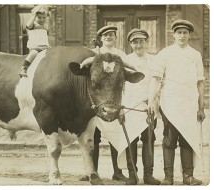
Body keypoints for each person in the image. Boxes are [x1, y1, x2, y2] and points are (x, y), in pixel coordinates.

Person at [148, 19, 205, 185]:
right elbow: (156, 79)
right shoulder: (165, 53)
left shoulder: (195, 55)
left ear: (189, 35)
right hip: (170, 103)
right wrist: (152, 101)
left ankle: (188, 176)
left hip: (189, 104)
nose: (182, 36)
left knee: (187, 139)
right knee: (169, 140)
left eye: (185, 33)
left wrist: (201, 108)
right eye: (179, 32)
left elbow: (200, 82)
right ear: (173, 35)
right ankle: (168, 177)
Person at [79, 25, 128, 182]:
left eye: (111, 35)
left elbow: (123, 83)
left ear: (115, 38)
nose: (108, 37)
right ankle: (92, 171)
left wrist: (121, 106)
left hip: (114, 102)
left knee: (115, 137)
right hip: (97, 103)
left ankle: (117, 171)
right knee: (94, 137)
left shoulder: (121, 55)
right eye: (105, 35)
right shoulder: (95, 55)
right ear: (100, 39)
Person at [121, 28, 161, 185]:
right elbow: (120, 85)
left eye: (141, 41)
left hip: (148, 105)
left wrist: (151, 102)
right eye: (135, 42)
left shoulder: (154, 60)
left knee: (149, 139)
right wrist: (121, 107)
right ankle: (132, 174)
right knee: (130, 140)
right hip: (129, 105)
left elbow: (156, 81)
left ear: (146, 43)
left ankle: (148, 175)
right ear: (130, 44)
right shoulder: (124, 60)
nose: (138, 45)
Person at [18, 5, 50, 78]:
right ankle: (24, 68)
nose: (42, 19)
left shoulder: (46, 26)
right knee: (33, 54)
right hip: (35, 47)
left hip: (45, 47)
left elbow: (44, 37)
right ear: (35, 17)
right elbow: (28, 25)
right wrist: (34, 15)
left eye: (44, 17)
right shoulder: (33, 25)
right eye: (39, 17)